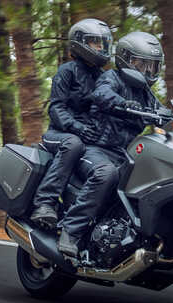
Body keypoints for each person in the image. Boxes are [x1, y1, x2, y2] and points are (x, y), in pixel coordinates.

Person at [57, 31, 165, 257]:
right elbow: (101, 93)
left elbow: (161, 110)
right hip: (95, 149)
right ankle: (70, 231)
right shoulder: (111, 78)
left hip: (122, 154)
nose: (148, 71)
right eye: (142, 64)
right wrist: (124, 103)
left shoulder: (146, 94)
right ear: (126, 59)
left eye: (152, 67)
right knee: (106, 174)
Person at [29, 18, 113, 228]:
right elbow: (56, 108)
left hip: (87, 137)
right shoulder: (67, 71)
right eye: (95, 42)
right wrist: (78, 128)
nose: (100, 47)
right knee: (73, 144)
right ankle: (45, 203)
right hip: (59, 134)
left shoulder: (103, 76)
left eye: (103, 43)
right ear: (80, 42)